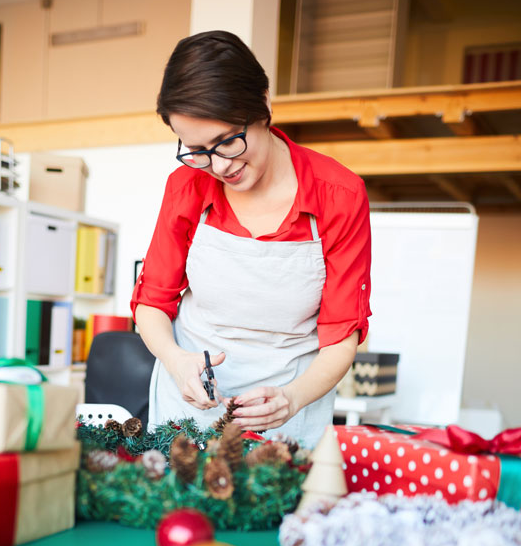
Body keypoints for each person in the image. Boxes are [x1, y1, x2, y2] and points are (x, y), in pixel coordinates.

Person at [131, 30, 371, 446]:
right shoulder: (187, 187)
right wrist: (177, 361)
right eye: (197, 150)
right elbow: (152, 303)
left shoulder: (339, 196)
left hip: (291, 410)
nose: (218, 166)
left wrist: (291, 399)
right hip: (189, 406)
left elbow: (340, 336)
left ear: (263, 105)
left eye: (227, 142)